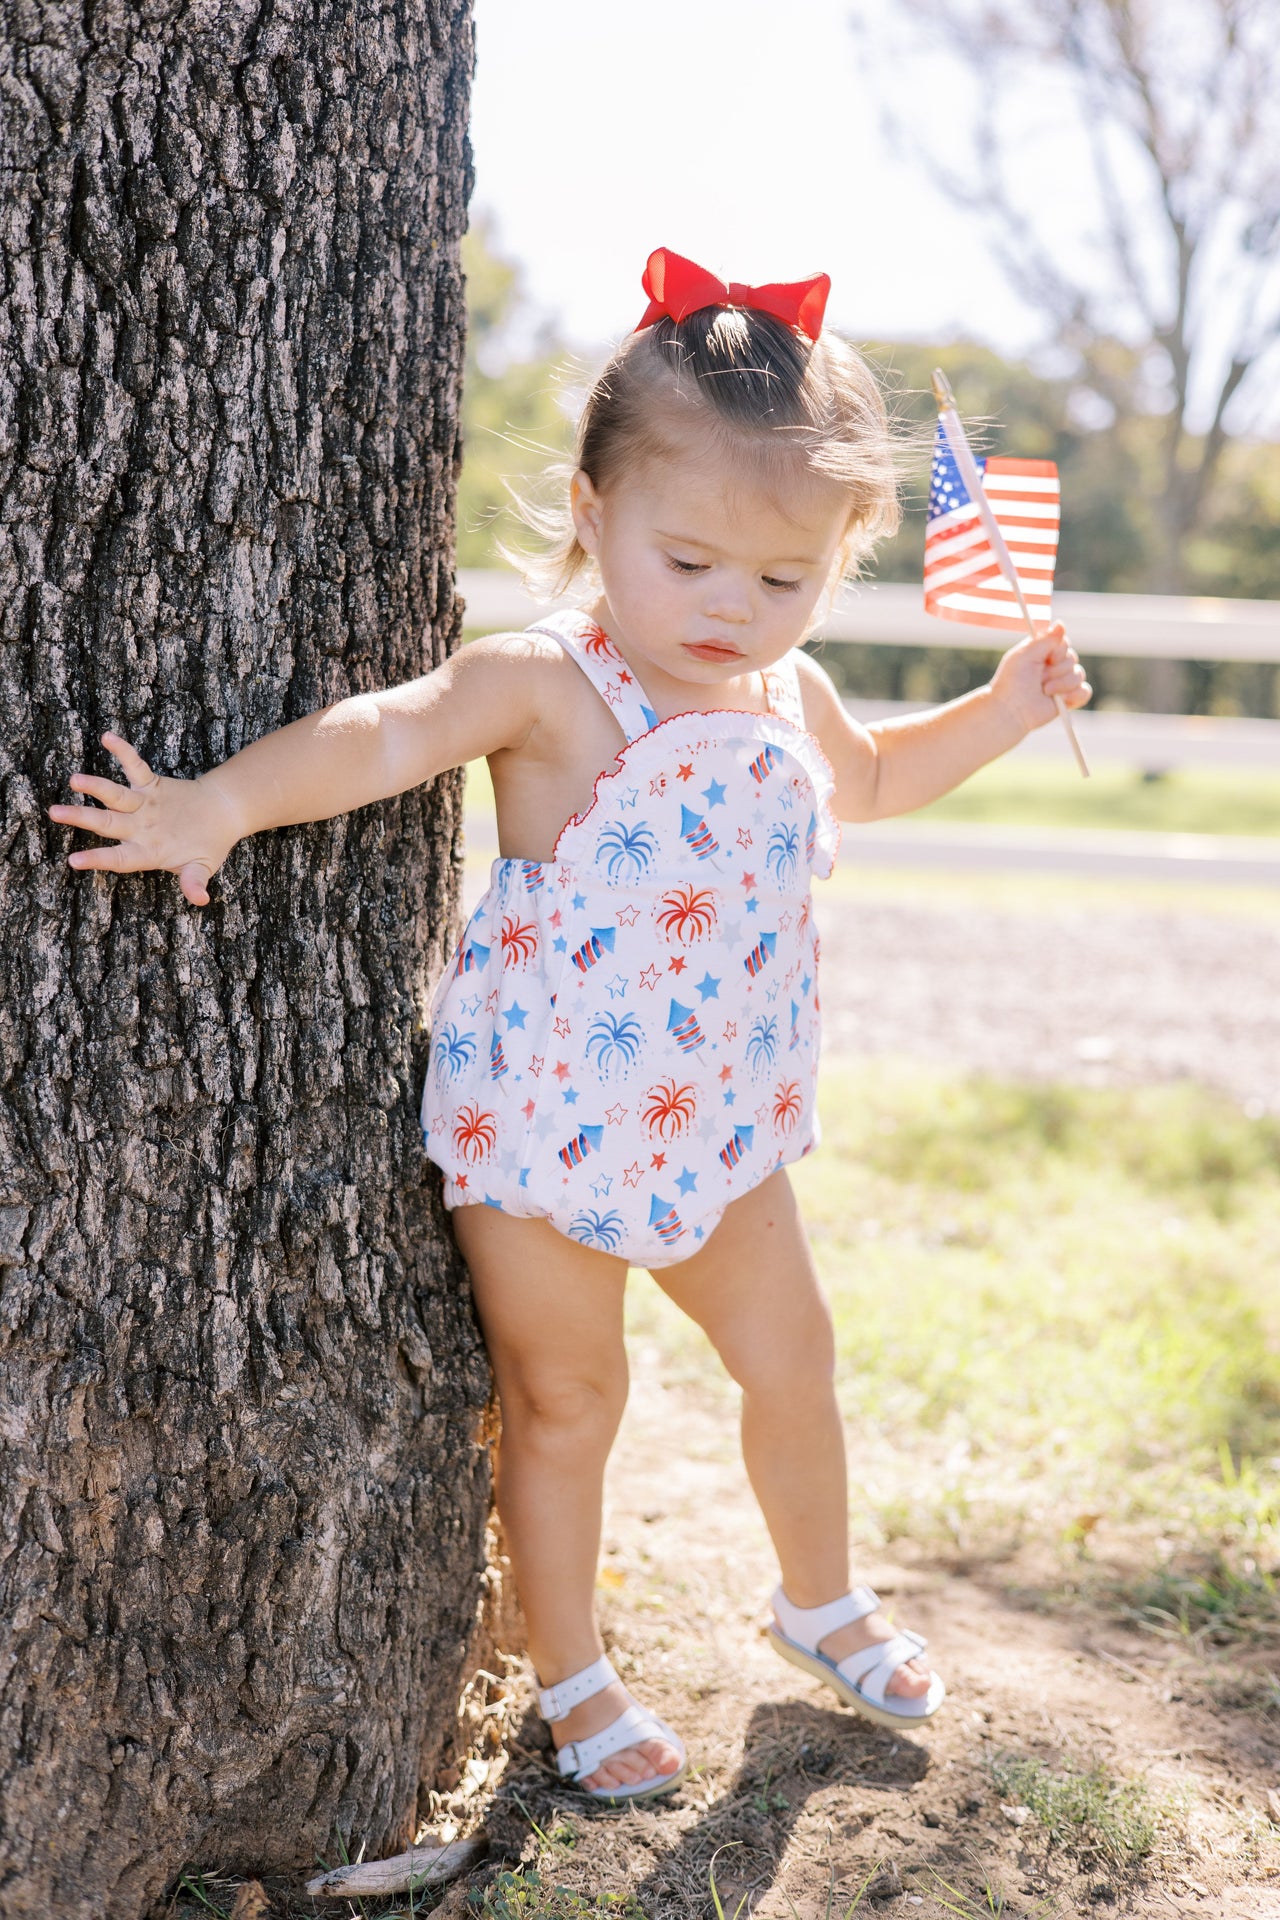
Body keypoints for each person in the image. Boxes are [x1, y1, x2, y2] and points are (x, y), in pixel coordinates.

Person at [49, 246, 1091, 1807]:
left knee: (793, 1355)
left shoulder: (787, 697)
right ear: (595, 517)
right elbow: (385, 734)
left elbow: (868, 784)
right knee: (565, 1397)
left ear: (838, 561)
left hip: (725, 1123)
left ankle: (818, 1595)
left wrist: (1006, 708)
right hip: (543, 1123)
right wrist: (220, 804)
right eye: (691, 564)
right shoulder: (554, 684)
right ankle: (577, 1674)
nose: (734, 610)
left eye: (782, 580)